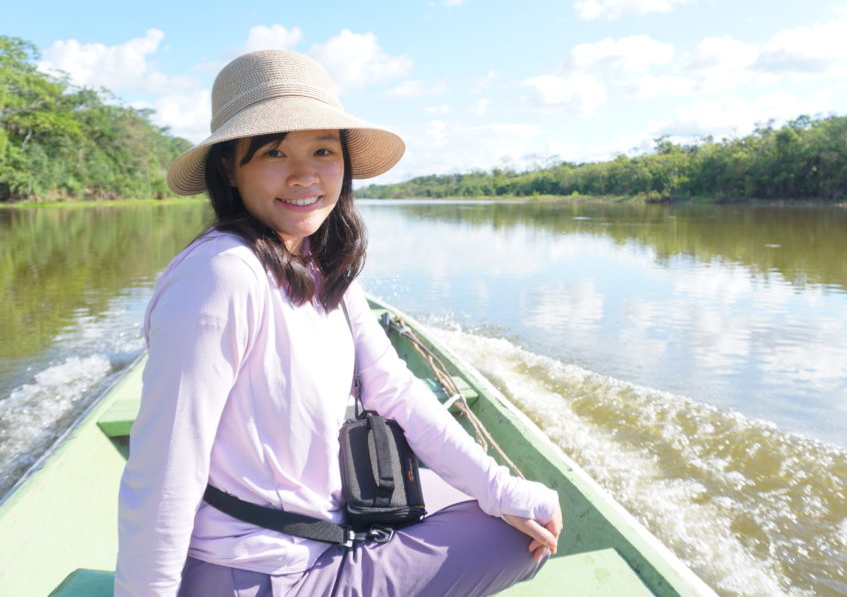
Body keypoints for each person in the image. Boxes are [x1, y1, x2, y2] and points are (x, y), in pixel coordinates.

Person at [115, 49, 562, 596]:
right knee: (514, 540)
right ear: (230, 166)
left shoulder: (320, 266)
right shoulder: (220, 277)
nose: (305, 174)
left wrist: (499, 487)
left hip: (321, 537)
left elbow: (395, 391)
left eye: (323, 149)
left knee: (508, 514)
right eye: (275, 151)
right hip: (259, 574)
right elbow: (164, 469)